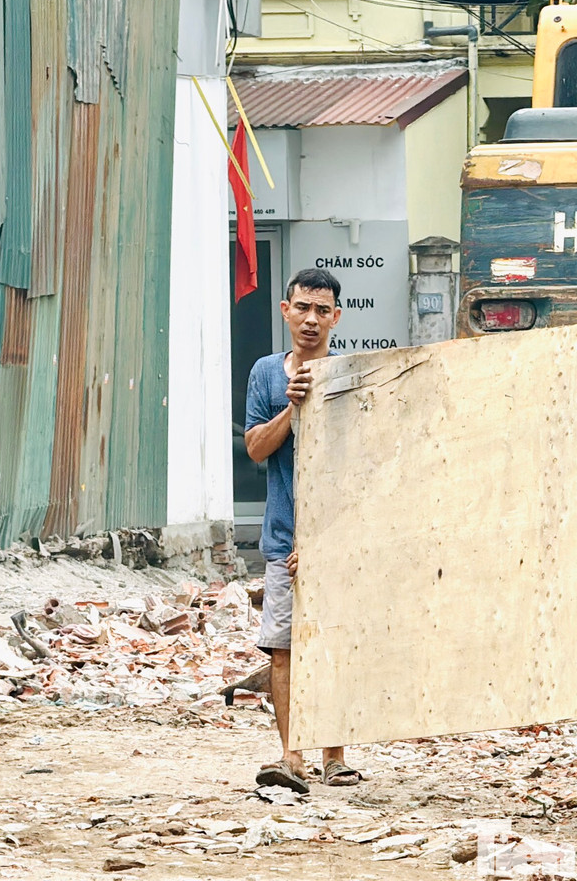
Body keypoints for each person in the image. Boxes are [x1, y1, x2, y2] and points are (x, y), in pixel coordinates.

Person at [245, 268, 362, 792]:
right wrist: (291, 409)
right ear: (285, 311)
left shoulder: (350, 374)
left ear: (336, 317)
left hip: (337, 540)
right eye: (302, 308)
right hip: (280, 537)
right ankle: (291, 756)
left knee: (335, 644)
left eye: (322, 310)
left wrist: (324, 542)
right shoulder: (267, 374)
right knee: (284, 648)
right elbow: (255, 448)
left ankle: (335, 757)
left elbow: (363, 465)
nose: (311, 319)